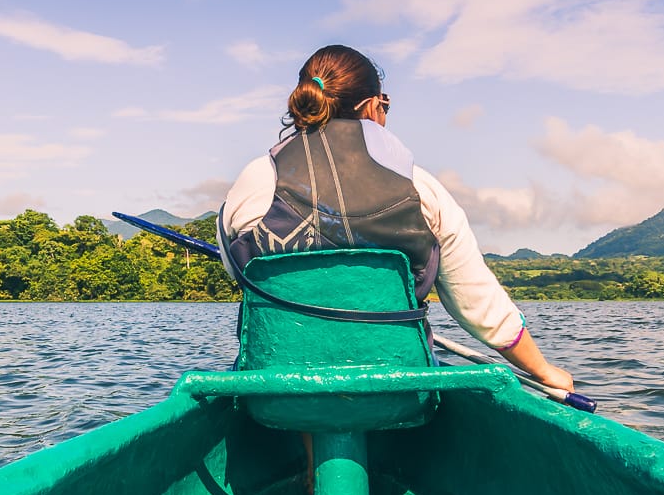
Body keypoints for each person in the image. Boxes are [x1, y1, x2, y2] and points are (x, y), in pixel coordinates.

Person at [217, 44, 574, 392]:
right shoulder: (422, 189)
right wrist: (543, 371)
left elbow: (237, 272)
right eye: (385, 105)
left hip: (274, 395)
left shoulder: (253, 182)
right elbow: (479, 304)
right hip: (400, 395)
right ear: (373, 105)